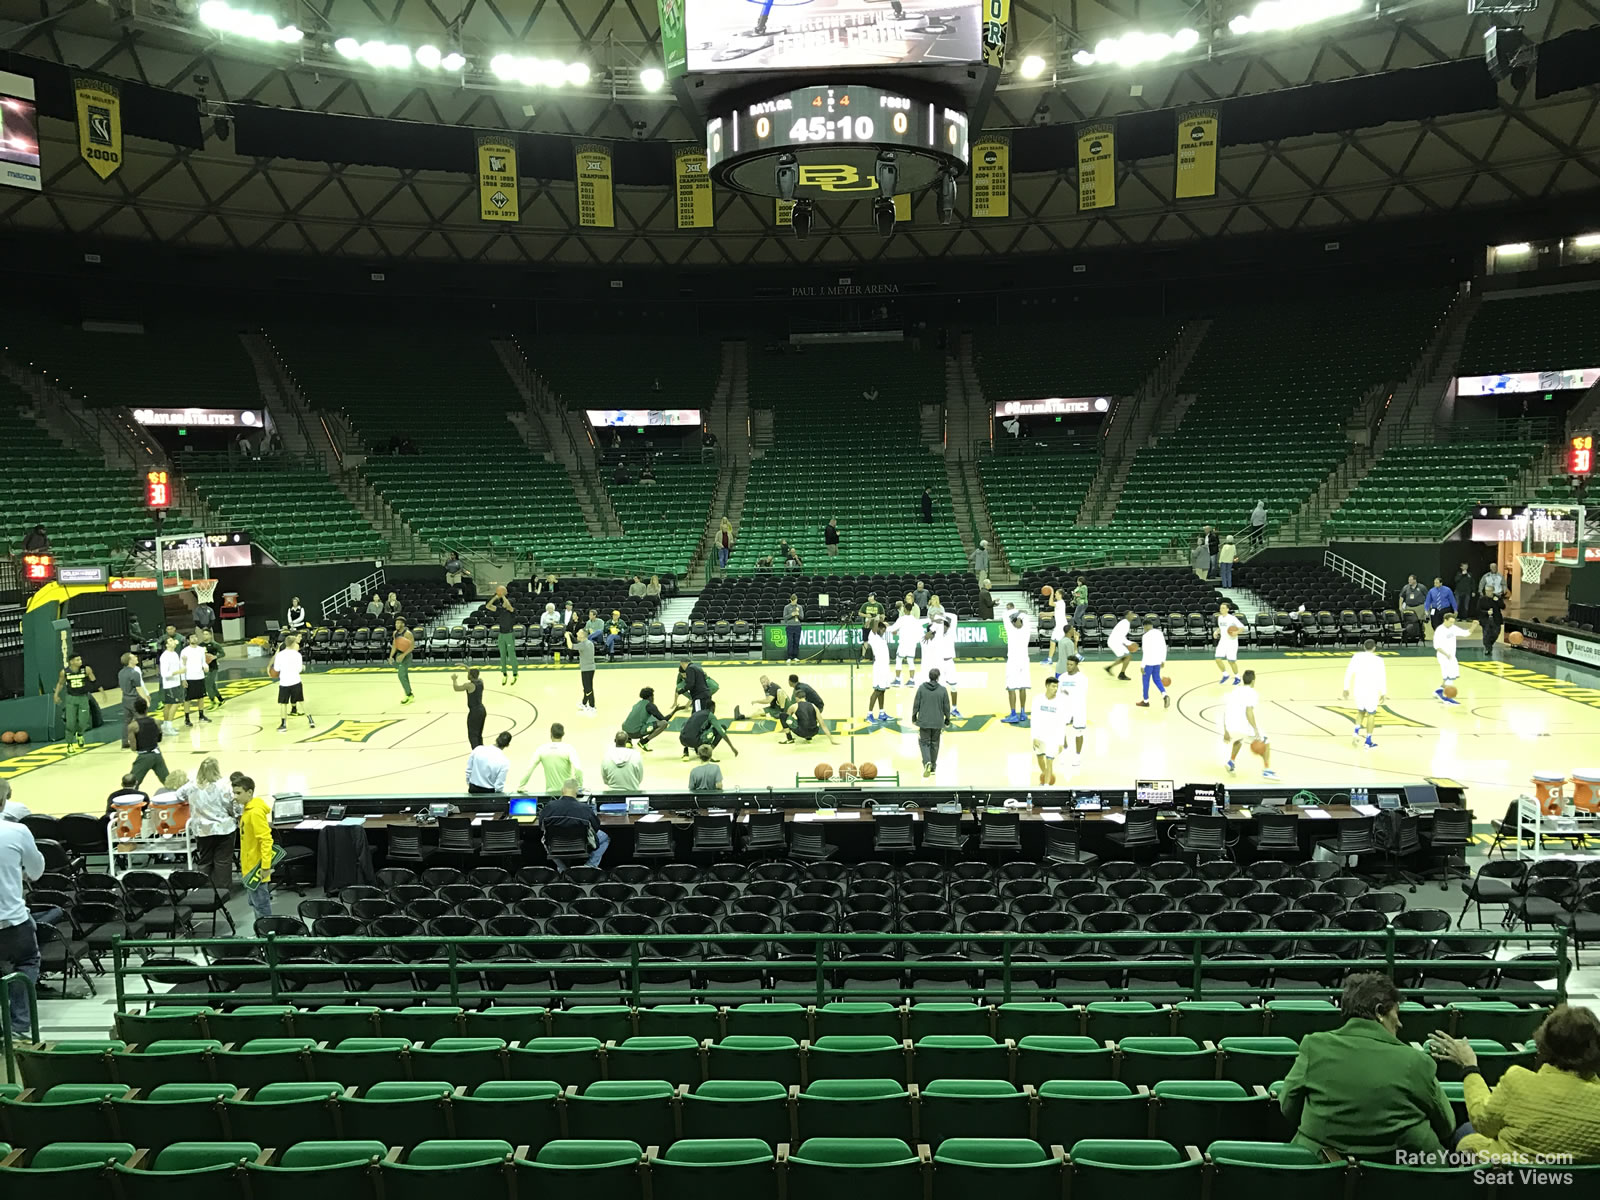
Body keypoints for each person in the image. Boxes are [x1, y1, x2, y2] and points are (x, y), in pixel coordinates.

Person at [1279, 973, 1454, 1159]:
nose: (1400, 1024)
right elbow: (1447, 1125)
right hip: (1403, 1175)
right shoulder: (1418, 1061)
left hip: (1321, 1170)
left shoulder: (1313, 1046)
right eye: (1396, 1014)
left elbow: (1288, 1106)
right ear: (1379, 1012)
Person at [1427, 1005, 1600, 1163]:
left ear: (1543, 1043)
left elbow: (1482, 1123)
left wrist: (1470, 1068)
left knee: (1466, 1131)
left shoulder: (1517, 1081)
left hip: (1510, 1184)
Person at [0, 781, 45, 1042]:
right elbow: (36, 871)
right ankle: (18, 1024)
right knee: (27, 962)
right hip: (12, 920)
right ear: (5, 802)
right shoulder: (17, 831)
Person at [182, 757, 238, 892]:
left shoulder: (191, 786)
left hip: (201, 830)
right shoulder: (224, 785)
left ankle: (203, 890)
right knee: (223, 861)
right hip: (223, 829)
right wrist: (234, 816)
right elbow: (231, 805)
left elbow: (179, 795)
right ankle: (222, 891)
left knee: (205, 860)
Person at [234, 775, 276, 921]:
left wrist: (265, 867)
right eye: (234, 793)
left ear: (250, 792)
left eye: (238, 793)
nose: (235, 797)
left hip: (257, 869)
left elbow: (266, 840)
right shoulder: (247, 810)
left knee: (261, 905)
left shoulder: (255, 813)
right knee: (255, 903)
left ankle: (266, 937)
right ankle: (260, 932)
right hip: (248, 868)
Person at [541, 781, 608, 869]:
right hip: (581, 844)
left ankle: (563, 869)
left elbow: (542, 827)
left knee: (546, 840)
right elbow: (595, 828)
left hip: (556, 845)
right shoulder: (584, 808)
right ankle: (590, 866)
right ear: (576, 793)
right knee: (605, 837)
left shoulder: (549, 807)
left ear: (562, 791)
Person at [1221, 669, 1274, 777]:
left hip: (1231, 725)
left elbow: (1225, 711)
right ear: (1253, 681)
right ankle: (1267, 770)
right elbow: (1248, 712)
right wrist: (1256, 729)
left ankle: (1231, 762)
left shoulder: (1234, 691)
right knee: (1265, 740)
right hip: (1243, 726)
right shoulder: (1252, 693)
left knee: (1239, 739)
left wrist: (1225, 730)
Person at [1342, 638, 1388, 749]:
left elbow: (1349, 672)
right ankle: (1368, 741)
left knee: (1361, 711)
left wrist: (1346, 688)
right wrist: (1383, 692)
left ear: (1363, 647)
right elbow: (1382, 677)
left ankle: (1356, 732)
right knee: (1371, 714)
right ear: (1374, 648)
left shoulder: (1356, 657)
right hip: (1371, 690)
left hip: (1358, 689)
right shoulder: (1379, 660)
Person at [519, 723, 583, 792]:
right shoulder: (569, 748)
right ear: (563, 734)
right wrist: (579, 786)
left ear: (551, 734)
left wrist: (521, 786)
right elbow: (578, 769)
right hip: (567, 793)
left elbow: (529, 769)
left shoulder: (541, 749)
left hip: (551, 794)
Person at [53, 652, 96, 753]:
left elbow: (94, 680)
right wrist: (56, 695)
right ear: (71, 662)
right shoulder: (65, 672)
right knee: (70, 723)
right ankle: (69, 744)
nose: (80, 661)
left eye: (80, 659)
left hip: (83, 698)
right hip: (71, 699)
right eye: (77, 660)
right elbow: (60, 683)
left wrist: (101, 690)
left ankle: (80, 734)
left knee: (84, 721)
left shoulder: (86, 669)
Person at [912, 666, 951, 777]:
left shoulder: (921, 688)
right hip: (937, 722)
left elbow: (916, 704)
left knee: (924, 743)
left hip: (924, 721)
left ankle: (927, 762)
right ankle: (933, 766)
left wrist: (914, 717)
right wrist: (947, 720)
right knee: (935, 744)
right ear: (938, 678)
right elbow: (946, 707)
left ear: (929, 677)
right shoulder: (943, 690)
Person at [272, 633, 313, 732]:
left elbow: (276, 669)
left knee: (283, 704)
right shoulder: (297, 655)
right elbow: (299, 669)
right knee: (302, 701)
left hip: (284, 682)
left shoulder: (280, 655)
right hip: (296, 681)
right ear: (293, 643)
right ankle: (311, 720)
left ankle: (283, 725)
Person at [1433, 612, 1475, 705]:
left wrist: (1473, 626)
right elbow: (1436, 646)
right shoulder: (1439, 630)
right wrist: (1446, 654)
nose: (1452, 624)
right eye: (1450, 622)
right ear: (1445, 620)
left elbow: (1466, 633)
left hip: (1452, 656)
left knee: (1452, 675)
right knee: (1448, 675)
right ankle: (1447, 697)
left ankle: (1439, 691)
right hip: (1443, 655)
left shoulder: (1453, 628)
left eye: (1453, 622)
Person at [1032, 674, 1065, 785]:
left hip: (1053, 736)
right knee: (1040, 757)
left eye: (1056, 687)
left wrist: (1061, 741)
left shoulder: (1060, 702)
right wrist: (1034, 737)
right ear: (1046, 686)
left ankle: (1046, 786)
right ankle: (1047, 774)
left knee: (1049, 760)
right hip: (1040, 735)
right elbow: (1034, 719)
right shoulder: (1038, 699)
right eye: (1053, 686)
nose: (1055, 689)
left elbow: (1061, 723)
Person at [127, 698, 168, 786]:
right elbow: (159, 739)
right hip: (157, 754)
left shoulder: (133, 726)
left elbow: (133, 748)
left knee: (132, 783)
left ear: (135, 710)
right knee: (168, 782)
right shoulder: (156, 722)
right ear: (147, 708)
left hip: (144, 756)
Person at [1002, 609, 1032, 724]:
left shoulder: (1011, 630)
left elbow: (1005, 614)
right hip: (1024, 661)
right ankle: (1023, 713)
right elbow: (1026, 618)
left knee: (1011, 688)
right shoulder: (1027, 629)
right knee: (1023, 687)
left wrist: (1017, 611)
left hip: (1013, 661)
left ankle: (1013, 714)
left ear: (1012, 623)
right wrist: (1021, 613)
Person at [485, 586, 519, 685]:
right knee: (502, 655)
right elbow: (488, 606)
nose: (503, 603)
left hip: (509, 634)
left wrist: (503, 596)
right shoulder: (500, 610)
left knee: (511, 655)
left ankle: (515, 673)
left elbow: (508, 605)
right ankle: (504, 674)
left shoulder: (512, 611)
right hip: (501, 634)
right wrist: (496, 597)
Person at [863, 619, 893, 723]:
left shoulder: (880, 638)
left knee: (882, 690)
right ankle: (869, 714)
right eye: (883, 630)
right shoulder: (873, 635)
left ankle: (881, 713)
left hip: (885, 667)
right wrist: (879, 619)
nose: (884, 631)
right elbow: (874, 625)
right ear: (878, 628)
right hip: (879, 667)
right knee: (877, 691)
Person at [179, 634, 212, 727]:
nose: (194, 638)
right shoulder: (184, 651)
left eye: (195, 637)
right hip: (189, 677)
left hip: (200, 676)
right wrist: (183, 679)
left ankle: (201, 715)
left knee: (201, 697)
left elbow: (203, 662)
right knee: (188, 699)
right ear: (188, 640)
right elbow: (182, 665)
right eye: (192, 637)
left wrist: (206, 667)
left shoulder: (201, 650)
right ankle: (187, 718)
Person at [117, 651, 149, 748]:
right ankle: (143, 740)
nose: (136, 657)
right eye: (134, 657)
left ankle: (124, 741)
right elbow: (139, 688)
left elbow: (122, 687)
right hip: (134, 700)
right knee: (141, 720)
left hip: (125, 699)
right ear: (130, 661)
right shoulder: (134, 673)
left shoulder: (121, 672)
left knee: (126, 721)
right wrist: (146, 699)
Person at [1137, 619, 1170, 709]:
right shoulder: (1159, 633)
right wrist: (1163, 660)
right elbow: (1164, 647)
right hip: (1158, 661)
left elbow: (1145, 651)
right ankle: (1164, 694)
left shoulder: (1145, 636)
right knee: (1156, 679)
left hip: (1148, 661)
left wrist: (1142, 665)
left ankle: (1146, 701)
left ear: (1146, 626)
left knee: (1145, 681)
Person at [889, 600, 923, 687]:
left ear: (904, 609)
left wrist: (886, 627)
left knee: (899, 660)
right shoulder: (915, 620)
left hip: (903, 643)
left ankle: (897, 680)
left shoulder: (901, 619)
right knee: (911, 661)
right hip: (912, 643)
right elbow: (918, 632)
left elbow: (893, 629)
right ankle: (911, 680)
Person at [452, 668, 486, 748]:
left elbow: (456, 688)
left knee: (473, 735)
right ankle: (482, 752)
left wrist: (454, 679)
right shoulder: (481, 682)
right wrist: (468, 668)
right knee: (479, 734)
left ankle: (476, 752)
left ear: (470, 676)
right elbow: (474, 675)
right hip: (482, 710)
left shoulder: (469, 685)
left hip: (474, 712)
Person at [1214, 602, 1246, 686]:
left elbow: (1242, 627)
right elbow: (1221, 628)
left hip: (1232, 642)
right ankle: (1225, 674)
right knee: (1217, 659)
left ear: (1228, 609)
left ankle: (1237, 677)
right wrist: (1216, 631)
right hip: (1222, 641)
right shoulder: (1220, 618)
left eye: (1223, 608)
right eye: (1221, 608)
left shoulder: (1232, 618)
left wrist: (1236, 632)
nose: (1221, 609)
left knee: (1231, 661)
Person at [568, 626, 598, 715]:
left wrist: (567, 637)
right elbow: (577, 642)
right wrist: (571, 636)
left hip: (587, 670)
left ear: (582, 635)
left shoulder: (584, 645)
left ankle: (592, 706)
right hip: (589, 668)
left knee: (588, 688)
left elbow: (571, 646)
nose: (577, 633)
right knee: (586, 687)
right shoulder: (588, 642)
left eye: (578, 632)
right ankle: (584, 703)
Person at [158, 637, 183, 734]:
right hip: (170, 684)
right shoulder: (165, 656)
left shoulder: (175, 654)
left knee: (168, 705)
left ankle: (165, 725)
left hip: (176, 683)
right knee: (175, 704)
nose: (173, 641)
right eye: (170, 641)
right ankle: (169, 726)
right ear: (166, 645)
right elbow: (164, 673)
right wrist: (178, 672)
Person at [388, 618, 415, 705]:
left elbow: (412, 647)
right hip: (399, 655)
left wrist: (403, 655)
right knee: (404, 675)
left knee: (401, 675)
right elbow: (394, 645)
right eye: (396, 623)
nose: (396, 625)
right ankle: (409, 693)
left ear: (403, 624)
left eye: (398, 623)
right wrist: (391, 656)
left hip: (406, 655)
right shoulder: (395, 633)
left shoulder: (408, 634)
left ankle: (409, 695)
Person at [1105, 609, 1136, 680]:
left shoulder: (1126, 623)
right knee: (1128, 656)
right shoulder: (1124, 623)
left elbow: (1121, 637)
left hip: (1116, 641)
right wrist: (1130, 643)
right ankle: (1121, 674)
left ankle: (1109, 668)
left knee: (1125, 657)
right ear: (1127, 615)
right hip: (1114, 642)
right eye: (1131, 613)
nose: (1133, 615)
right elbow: (1121, 636)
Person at [199, 630, 224, 709]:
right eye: (203, 634)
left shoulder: (215, 645)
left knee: (208, 685)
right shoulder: (200, 645)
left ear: (210, 635)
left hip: (213, 667)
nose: (204, 636)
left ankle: (213, 701)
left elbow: (222, 653)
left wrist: (215, 657)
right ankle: (220, 699)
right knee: (212, 685)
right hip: (204, 668)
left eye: (206, 634)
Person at [783, 593, 804, 662]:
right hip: (790, 626)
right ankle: (789, 656)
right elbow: (785, 617)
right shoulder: (786, 607)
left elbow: (802, 617)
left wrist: (798, 615)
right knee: (790, 642)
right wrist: (791, 614)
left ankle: (795, 656)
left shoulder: (799, 607)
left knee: (796, 642)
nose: (794, 602)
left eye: (795, 600)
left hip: (797, 626)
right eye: (793, 601)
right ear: (790, 600)